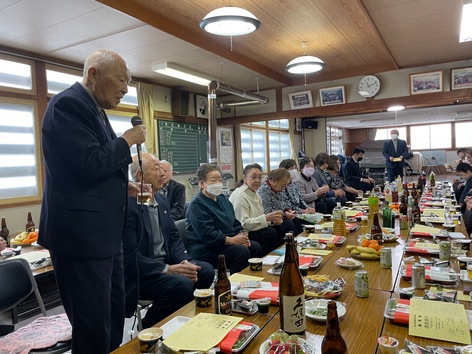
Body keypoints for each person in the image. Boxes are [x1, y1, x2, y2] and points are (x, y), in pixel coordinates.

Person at [38, 50, 146, 354]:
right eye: (122, 80)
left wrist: (122, 186)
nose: (125, 88)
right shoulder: (68, 104)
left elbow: (92, 171)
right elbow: (88, 162)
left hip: (105, 238)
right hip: (81, 238)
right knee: (92, 326)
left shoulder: (95, 109)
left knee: (112, 318)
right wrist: (126, 140)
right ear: (94, 73)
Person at [123, 153, 214, 329]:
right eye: (157, 168)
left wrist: (184, 261)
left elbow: (173, 237)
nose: (163, 174)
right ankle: (149, 327)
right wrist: (168, 269)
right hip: (143, 273)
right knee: (182, 284)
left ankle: (182, 318)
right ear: (140, 176)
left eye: (163, 169)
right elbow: (129, 256)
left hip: (168, 263)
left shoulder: (160, 200)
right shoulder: (128, 207)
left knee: (205, 271)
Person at [185, 163, 262, 274]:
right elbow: (208, 235)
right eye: (213, 180)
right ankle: (234, 285)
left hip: (225, 242)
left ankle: (252, 280)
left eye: (220, 180)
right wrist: (232, 241)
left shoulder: (222, 199)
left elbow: (234, 222)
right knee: (241, 252)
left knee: (255, 247)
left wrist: (241, 236)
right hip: (206, 248)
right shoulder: (197, 205)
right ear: (202, 183)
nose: (218, 184)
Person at [229, 163, 284, 255]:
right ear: (244, 178)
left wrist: (272, 221)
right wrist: (266, 218)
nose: (257, 180)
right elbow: (244, 224)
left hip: (253, 228)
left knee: (278, 226)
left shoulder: (255, 193)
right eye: (253, 177)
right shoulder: (240, 196)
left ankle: (280, 257)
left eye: (260, 177)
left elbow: (259, 217)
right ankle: (265, 260)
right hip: (242, 232)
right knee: (269, 233)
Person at [257, 168, 300, 236]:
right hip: (269, 221)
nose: (284, 188)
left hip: (280, 217)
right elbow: (267, 212)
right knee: (288, 224)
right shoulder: (263, 192)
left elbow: (284, 204)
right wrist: (285, 215)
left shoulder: (278, 189)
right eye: (283, 185)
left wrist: (288, 211)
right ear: (273, 181)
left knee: (296, 218)